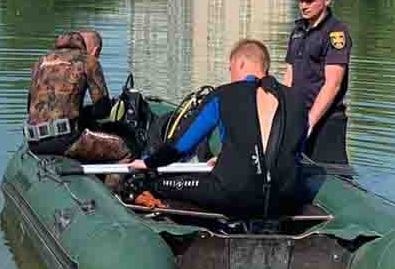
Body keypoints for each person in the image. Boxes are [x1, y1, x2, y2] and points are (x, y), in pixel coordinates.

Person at [127, 38, 311, 220]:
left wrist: (147, 163)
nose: (231, 75)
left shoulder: (222, 95)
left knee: (153, 183)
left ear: (240, 64)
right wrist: (229, 158)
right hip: (285, 197)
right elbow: (293, 149)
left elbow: (181, 146)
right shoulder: (298, 100)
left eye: (230, 69)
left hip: (234, 194)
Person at [24, 29, 137, 162]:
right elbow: (102, 110)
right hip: (65, 140)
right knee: (127, 150)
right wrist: (84, 114)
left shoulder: (40, 62)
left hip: (33, 142)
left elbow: (29, 107)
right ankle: (108, 183)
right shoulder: (87, 61)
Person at [281, 0, 353, 165]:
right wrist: (282, 109)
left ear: (327, 0)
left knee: (334, 176)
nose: (304, 5)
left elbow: (333, 84)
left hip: (326, 121)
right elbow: (290, 74)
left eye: (310, 0)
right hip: (298, 116)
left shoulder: (336, 33)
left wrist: (310, 121)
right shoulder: (297, 31)